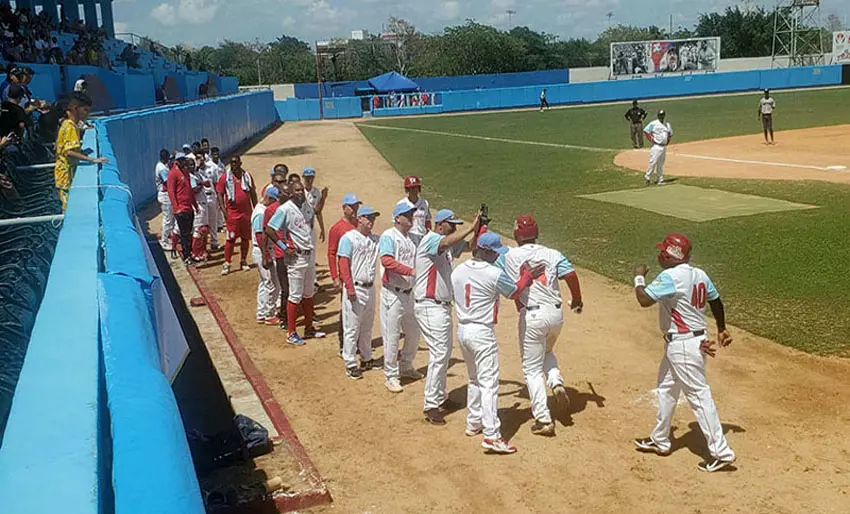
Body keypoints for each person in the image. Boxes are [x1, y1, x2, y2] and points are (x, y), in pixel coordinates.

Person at [632, 233, 736, 473]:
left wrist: (638, 276)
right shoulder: (699, 274)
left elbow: (644, 299)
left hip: (683, 346)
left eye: (663, 252)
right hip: (687, 342)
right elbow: (716, 300)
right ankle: (660, 439)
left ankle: (721, 452)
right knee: (667, 388)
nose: (659, 255)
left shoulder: (671, 276)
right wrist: (721, 327)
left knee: (699, 396)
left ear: (671, 256)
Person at [450, 232, 539, 455]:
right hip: (482, 332)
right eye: (494, 253)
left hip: (463, 329)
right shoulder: (493, 273)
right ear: (485, 251)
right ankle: (492, 435)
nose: (496, 257)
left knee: (474, 379)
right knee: (489, 383)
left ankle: (473, 422)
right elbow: (514, 291)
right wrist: (527, 277)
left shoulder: (458, 269)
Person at [497, 215, 583, 437]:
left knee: (531, 369)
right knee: (547, 351)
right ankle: (555, 381)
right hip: (555, 314)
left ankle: (544, 419)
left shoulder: (508, 255)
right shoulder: (553, 253)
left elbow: (489, 261)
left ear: (517, 234)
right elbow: (571, 276)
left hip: (532, 315)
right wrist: (578, 299)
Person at [416, 208, 481, 425]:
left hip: (441, 307)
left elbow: (472, 247)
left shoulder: (447, 244)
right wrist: (470, 227)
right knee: (439, 353)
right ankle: (431, 404)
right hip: (429, 304)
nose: (454, 228)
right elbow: (445, 243)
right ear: (441, 224)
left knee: (442, 353)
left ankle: (440, 397)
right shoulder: (431, 240)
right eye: (451, 224)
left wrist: (480, 227)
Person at [264, 180, 326, 345]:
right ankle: (291, 333)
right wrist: (284, 247)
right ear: (291, 192)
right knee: (295, 295)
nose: (300, 192)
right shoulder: (284, 210)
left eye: (301, 190)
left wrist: (323, 198)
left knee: (309, 292)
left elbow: (315, 213)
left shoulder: (306, 206)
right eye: (297, 190)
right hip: (296, 257)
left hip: (310, 255)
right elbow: (270, 229)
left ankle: (309, 328)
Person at [379, 202, 421, 393]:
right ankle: (391, 375)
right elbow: (386, 260)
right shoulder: (389, 236)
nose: (411, 217)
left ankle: (406, 366)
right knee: (392, 335)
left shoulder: (412, 238)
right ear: (398, 218)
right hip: (393, 292)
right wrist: (410, 270)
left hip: (409, 293)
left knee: (413, 332)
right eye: (407, 214)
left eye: (412, 214)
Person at [337, 204, 382, 379]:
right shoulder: (349, 238)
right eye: (369, 217)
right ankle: (350, 363)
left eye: (373, 218)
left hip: (370, 288)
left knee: (367, 326)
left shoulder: (375, 240)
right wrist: (349, 287)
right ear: (360, 219)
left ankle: (366, 357)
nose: (372, 221)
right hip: (354, 288)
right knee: (351, 328)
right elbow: (343, 263)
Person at [54, 92, 107, 211]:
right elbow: (69, 152)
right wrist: (92, 159)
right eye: (85, 110)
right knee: (68, 208)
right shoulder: (70, 126)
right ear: (75, 108)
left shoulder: (69, 124)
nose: (87, 114)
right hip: (65, 176)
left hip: (65, 174)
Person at [328, 193, 362, 356]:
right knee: (346, 312)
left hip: (359, 273)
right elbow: (331, 253)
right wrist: (335, 276)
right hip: (345, 275)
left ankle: (358, 343)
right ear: (344, 208)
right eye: (352, 206)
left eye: (357, 206)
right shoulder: (337, 228)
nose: (355, 209)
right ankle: (344, 344)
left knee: (360, 311)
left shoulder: (361, 225)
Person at [216, 155, 256, 275]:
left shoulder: (247, 177)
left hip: (246, 213)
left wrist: (256, 209)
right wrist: (224, 211)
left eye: (235, 163)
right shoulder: (225, 178)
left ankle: (243, 261)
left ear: (240, 163)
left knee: (245, 238)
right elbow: (219, 194)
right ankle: (227, 263)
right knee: (231, 238)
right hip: (232, 214)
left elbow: (252, 193)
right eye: (231, 163)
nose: (233, 165)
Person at [252, 187, 282, 325]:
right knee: (271, 283)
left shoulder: (260, 209)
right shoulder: (261, 213)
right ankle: (269, 314)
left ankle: (262, 312)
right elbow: (259, 235)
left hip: (263, 250)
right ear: (269, 198)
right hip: (263, 250)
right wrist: (266, 255)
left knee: (265, 283)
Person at [264, 173, 290, 326]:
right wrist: (265, 253)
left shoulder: (294, 207)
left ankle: (289, 314)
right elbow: (267, 232)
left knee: (293, 288)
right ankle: (284, 318)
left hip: (294, 254)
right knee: (285, 288)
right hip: (281, 254)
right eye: (282, 193)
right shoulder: (271, 210)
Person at [167, 153, 198, 264]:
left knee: (188, 233)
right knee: (184, 234)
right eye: (181, 160)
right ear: (177, 161)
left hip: (188, 207)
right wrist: (176, 208)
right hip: (181, 209)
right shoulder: (173, 174)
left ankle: (189, 254)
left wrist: (195, 205)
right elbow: (171, 192)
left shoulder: (186, 173)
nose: (183, 162)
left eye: (184, 159)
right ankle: (186, 256)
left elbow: (189, 190)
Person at [396, 175, 430, 246]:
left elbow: (427, 220)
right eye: (411, 188)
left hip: (422, 237)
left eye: (415, 187)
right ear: (407, 189)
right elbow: (396, 223)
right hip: (408, 237)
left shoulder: (425, 203)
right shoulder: (401, 204)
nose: (413, 190)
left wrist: (428, 235)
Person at [189, 155, 211, 262]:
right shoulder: (189, 177)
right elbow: (194, 190)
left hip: (204, 203)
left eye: (193, 164)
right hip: (197, 205)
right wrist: (202, 184)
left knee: (205, 229)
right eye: (190, 165)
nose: (192, 166)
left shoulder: (197, 174)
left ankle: (203, 251)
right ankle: (195, 253)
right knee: (198, 230)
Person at [643, 110, 673, 186]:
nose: (661, 116)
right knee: (653, 162)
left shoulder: (667, 124)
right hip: (656, 146)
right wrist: (651, 139)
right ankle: (647, 177)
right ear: (658, 116)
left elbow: (670, 134)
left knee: (661, 163)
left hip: (664, 146)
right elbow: (646, 131)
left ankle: (660, 179)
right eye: (660, 115)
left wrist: (667, 142)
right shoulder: (653, 123)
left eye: (663, 115)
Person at [154, 149, 175, 251]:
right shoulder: (162, 168)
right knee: (167, 219)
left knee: (170, 218)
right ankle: (164, 241)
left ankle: (168, 238)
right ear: (164, 157)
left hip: (165, 195)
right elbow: (168, 183)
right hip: (165, 195)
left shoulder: (162, 165)